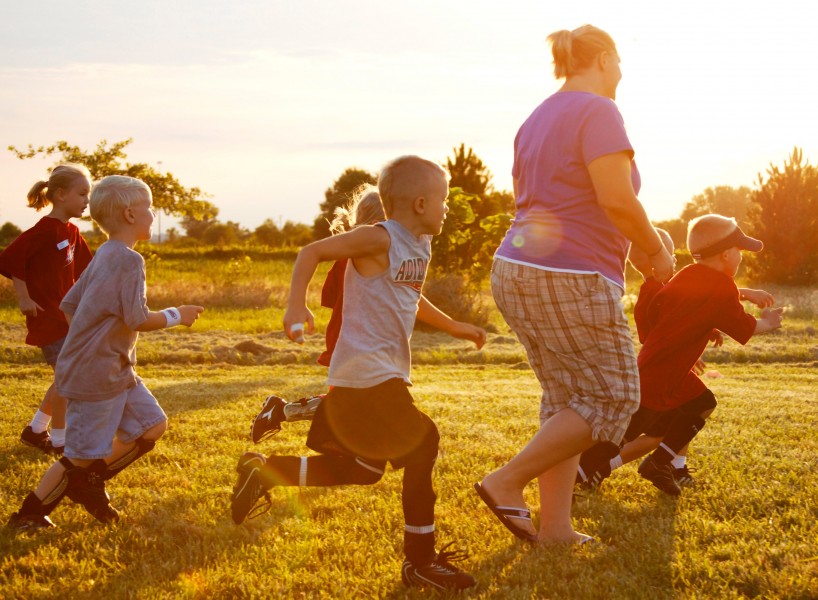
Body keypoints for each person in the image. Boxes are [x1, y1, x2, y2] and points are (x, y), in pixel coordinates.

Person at [231, 156, 485, 591]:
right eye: (443, 200)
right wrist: (296, 303)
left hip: (379, 374)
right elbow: (311, 251)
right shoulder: (378, 238)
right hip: (367, 374)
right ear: (421, 203)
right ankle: (421, 562)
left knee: (366, 469)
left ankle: (267, 472)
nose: (447, 208)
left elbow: (412, 297)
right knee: (424, 441)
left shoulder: (418, 243)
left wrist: (457, 326)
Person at [474, 24, 675, 545]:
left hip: (517, 270)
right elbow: (615, 200)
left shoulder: (535, 118)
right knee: (614, 396)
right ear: (605, 58)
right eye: (621, 63)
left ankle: (557, 526)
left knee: (565, 398)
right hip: (568, 275)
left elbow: (565, 204)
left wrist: (627, 253)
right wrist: (655, 250)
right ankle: (506, 481)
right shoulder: (599, 110)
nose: (622, 74)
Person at [7, 175, 204, 530]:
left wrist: (90, 338)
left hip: (116, 368)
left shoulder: (105, 255)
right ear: (131, 214)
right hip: (96, 374)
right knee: (80, 457)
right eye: (149, 208)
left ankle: (89, 483)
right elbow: (138, 318)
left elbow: (69, 304)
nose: (153, 214)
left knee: (152, 426)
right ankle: (29, 514)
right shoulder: (128, 261)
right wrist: (178, 315)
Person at [578, 215, 782, 495]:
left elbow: (678, 308)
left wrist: (704, 326)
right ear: (725, 254)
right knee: (623, 434)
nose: (741, 258)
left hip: (662, 370)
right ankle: (577, 476)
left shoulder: (688, 274)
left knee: (702, 403)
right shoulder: (718, 286)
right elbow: (745, 327)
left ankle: (659, 463)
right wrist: (769, 323)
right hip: (661, 377)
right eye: (739, 252)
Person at [250, 184, 386, 441]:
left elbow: (337, 301)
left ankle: (282, 412)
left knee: (351, 402)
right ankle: (282, 412)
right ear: (379, 222)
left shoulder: (363, 256)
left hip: (361, 339)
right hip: (354, 340)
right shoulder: (355, 256)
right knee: (347, 402)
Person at [0, 164, 94, 456]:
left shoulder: (73, 231)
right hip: (47, 319)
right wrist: (24, 297)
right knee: (69, 379)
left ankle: (36, 430)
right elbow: (12, 258)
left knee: (65, 377)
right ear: (62, 195)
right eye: (82, 194)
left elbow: (89, 271)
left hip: (67, 319)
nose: (86, 200)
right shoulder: (44, 230)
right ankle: (58, 441)